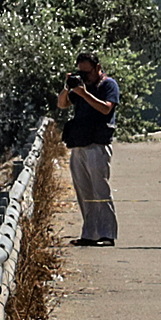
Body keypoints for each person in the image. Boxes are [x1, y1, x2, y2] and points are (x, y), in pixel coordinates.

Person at [55, 53, 120, 245]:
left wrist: (84, 94)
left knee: (100, 189)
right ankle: (90, 234)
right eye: (80, 72)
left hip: (98, 143)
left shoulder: (108, 85)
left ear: (97, 67)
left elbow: (106, 109)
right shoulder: (79, 86)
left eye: (87, 72)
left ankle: (107, 234)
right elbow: (62, 104)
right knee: (84, 191)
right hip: (79, 142)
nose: (84, 76)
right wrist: (67, 88)